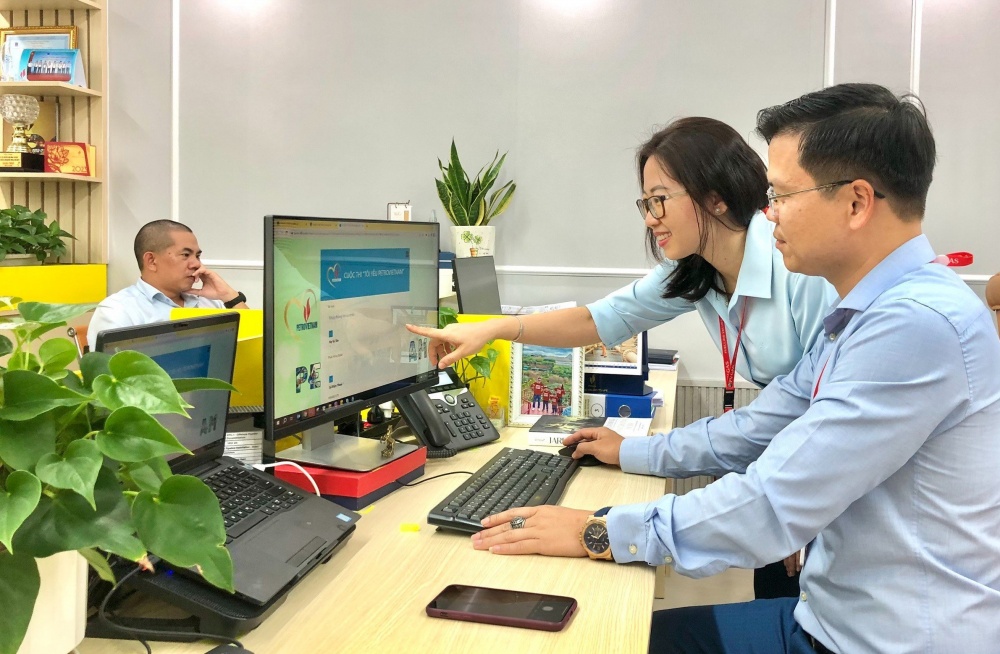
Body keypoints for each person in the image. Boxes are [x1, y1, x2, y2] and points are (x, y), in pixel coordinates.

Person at [469, 83, 1000, 653]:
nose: (769, 213)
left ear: (856, 202)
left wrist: (597, 530)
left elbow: (774, 502)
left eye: (782, 195)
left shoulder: (914, 325)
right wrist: (634, 455)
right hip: (829, 617)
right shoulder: (867, 312)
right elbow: (759, 425)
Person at [408, 116, 838, 599]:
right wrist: (498, 329)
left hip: (824, 476)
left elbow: (825, 416)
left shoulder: (799, 267)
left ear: (716, 197)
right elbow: (600, 319)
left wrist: (804, 508)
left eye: (660, 199)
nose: (650, 218)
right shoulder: (698, 271)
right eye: (646, 203)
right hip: (784, 462)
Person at [88, 220, 248, 348]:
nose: (196, 264)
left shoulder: (210, 302)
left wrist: (229, 296)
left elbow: (252, 348)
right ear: (151, 261)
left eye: (197, 256)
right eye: (185, 255)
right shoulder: (118, 311)